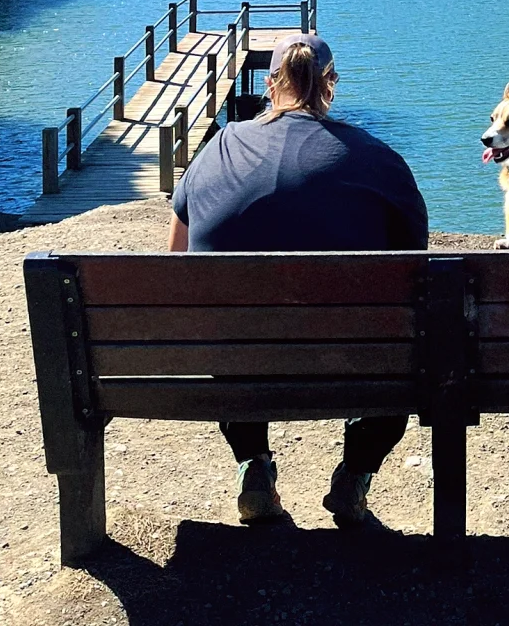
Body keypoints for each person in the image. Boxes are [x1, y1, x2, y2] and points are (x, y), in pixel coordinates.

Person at [168, 32, 428, 528]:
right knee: (397, 345)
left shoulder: (218, 148)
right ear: (330, 85)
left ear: (269, 85)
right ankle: (354, 477)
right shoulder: (378, 158)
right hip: (353, 364)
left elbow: (178, 261)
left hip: (238, 365)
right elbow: (414, 270)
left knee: (232, 328)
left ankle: (255, 466)